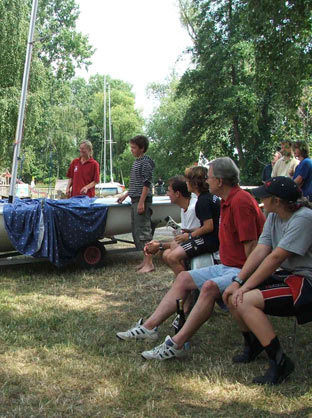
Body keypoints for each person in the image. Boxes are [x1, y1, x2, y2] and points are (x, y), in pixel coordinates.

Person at [116, 157, 266, 361]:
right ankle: (149, 327)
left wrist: (243, 282)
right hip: (228, 266)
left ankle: (176, 344)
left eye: (209, 177)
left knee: (209, 287)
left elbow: (253, 249)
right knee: (183, 278)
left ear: (220, 181)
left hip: (240, 270)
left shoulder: (240, 202)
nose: (207, 181)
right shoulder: (226, 200)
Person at [223, 177, 312, 385]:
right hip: (289, 275)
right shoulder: (273, 216)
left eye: (265, 196)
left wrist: (245, 287)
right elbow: (261, 250)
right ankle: (253, 344)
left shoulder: (304, 218)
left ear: (277, 201)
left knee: (244, 300)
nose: (261, 200)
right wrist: (238, 282)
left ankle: (280, 362)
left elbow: (276, 257)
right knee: (232, 294)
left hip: (306, 280)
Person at [145, 167, 220, 277]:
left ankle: (187, 283)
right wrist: (189, 232)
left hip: (211, 241)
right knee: (169, 251)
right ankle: (184, 281)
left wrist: (189, 235)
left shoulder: (200, 203)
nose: (186, 183)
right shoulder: (207, 198)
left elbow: (208, 227)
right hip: (212, 238)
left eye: (188, 181)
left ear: (195, 184)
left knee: (172, 255)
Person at [143, 175, 200, 275]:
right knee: (166, 253)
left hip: (201, 247)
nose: (167, 194)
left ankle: (189, 280)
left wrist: (159, 245)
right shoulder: (184, 207)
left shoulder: (192, 209)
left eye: (169, 191)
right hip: (193, 244)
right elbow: (183, 238)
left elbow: (189, 240)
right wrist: (159, 244)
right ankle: (183, 279)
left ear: (177, 194)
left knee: (171, 250)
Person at [117, 135, 156, 273]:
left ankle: (149, 264)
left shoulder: (145, 163)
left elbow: (146, 183)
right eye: (131, 147)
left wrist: (141, 202)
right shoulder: (137, 162)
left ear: (142, 148)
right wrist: (125, 195)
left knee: (144, 232)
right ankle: (144, 261)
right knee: (137, 231)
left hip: (141, 200)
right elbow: (136, 184)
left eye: (134, 147)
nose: (131, 150)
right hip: (135, 199)